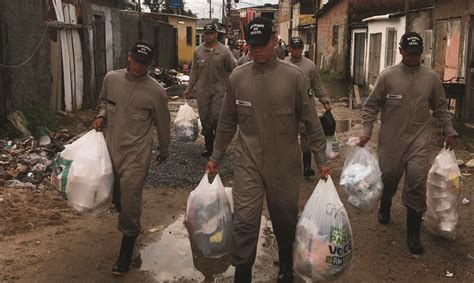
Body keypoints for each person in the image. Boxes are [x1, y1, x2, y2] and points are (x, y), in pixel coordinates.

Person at [205, 17, 331, 282]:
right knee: (245, 221)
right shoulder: (238, 77)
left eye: (262, 45)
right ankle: (243, 271)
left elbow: (311, 121)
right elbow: (227, 122)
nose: (257, 50)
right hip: (247, 163)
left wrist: (321, 159)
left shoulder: (294, 78)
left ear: (274, 41)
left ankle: (285, 263)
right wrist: (215, 156)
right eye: (252, 46)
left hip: (284, 164)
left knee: (284, 219)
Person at [359, 32, 458, 255]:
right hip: (391, 140)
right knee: (389, 177)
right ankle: (386, 202)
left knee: (416, 182)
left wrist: (449, 131)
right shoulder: (388, 77)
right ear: (401, 52)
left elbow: (441, 107)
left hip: (419, 140)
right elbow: (370, 106)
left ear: (420, 53)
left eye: (417, 54)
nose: (413, 58)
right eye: (409, 53)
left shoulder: (430, 78)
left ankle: (413, 234)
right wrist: (367, 130)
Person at [91, 40, 171, 275]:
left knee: (131, 199)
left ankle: (125, 251)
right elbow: (105, 103)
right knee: (117, 196)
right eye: (136, 61)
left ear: (150, 64)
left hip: (137, 154)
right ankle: (127, 218)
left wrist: (164, 149)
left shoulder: (156, 91)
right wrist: (101, 117)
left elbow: (163, 124)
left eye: (144, 63)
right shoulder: (111, 79)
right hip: (110, 148)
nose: (138, 66)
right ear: (129, 56)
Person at [183, 23, 237, 157]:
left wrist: (232, 86)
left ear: (216, 34)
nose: (208, 36)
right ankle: (209, 147)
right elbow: (194, 71)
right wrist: (189, 88)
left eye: (211, 33)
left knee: (216, 117)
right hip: (202, 91)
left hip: (219, 90)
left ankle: (219, 147)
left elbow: (234, 68)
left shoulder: (224, 51)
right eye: (206, 33)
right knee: (205, 119)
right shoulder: (198, 51)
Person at [285, 36, 332, 177]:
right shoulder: (283, 64)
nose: (297, 50)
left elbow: (317, 85)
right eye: (294, 48)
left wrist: (325, 101)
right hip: (289, 107)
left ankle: (306, 167)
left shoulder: (310, 66)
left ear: (302, 48)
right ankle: (288, 166)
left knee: (306, 137)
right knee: (288, 136)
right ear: (289, 48)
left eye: (299, 48)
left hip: (306, 106)